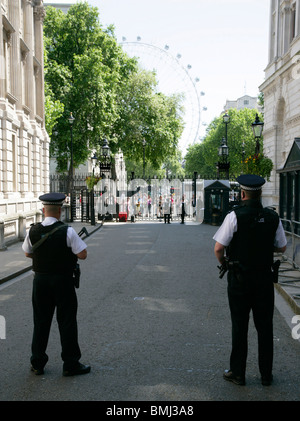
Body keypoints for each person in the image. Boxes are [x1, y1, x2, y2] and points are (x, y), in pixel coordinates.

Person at [213, 175, 287, 386]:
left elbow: (219, 248)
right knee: (265, 327)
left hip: (239, 279)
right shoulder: (273, 217)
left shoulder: (234, 216)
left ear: (242, 194)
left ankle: (238, 372)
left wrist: (226, 262)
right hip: (264, 279)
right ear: (261, 193)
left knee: (240, 326)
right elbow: (282, 247)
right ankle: (266, 375)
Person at [22, 193, 90, 377]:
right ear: (60, 211)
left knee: (41, 322)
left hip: (41, 282)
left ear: (44, 210)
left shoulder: (32, 231)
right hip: (62, 281)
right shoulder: (67, 231)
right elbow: (83, 254)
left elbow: (28, 253)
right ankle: (70, 364)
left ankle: (37, 363)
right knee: (67, 322)